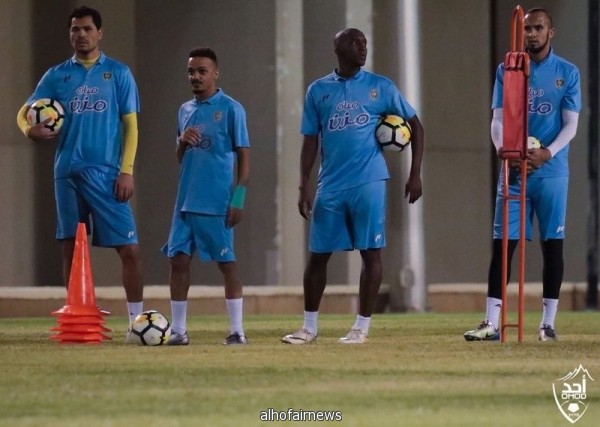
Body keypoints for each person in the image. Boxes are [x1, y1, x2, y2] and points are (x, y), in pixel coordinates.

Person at [281, 28, 424, 345]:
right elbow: (310, 141)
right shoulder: (318, 91)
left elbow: (416, 125)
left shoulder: (380, 87)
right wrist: (302, 184)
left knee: (371, 253)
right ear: (338, 48)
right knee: (318, 256)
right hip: (330, 184)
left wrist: (415, 173)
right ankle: (309, 328)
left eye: (365, 43)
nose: (362, 48)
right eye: (355, 43)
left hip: (369, 181)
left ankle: (361, 327)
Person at [16, 6, 144, 340]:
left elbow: (131, 126)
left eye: (87, 29)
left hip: (106, 174)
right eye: (75, 30)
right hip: (68, 172)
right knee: (71, 249)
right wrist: (29, 131)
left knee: (129, 249)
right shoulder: (57, 75)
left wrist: (126, 170)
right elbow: (25, 111)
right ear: (70, 33)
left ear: (99, 33)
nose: (81, 35)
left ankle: (137, 322)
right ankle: (76, 317)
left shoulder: (117, 73)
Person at [464, 8, 581, 342]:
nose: (531, 34)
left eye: (538, 28)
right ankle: (491, 323)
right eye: (527, 28)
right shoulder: (509, 69)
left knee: (552, 247)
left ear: (551, 32)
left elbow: (571, 124)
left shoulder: (567, 72)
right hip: (513, 170)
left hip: (551, 171)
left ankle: (547, 324)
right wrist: (505, 149)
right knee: (503, 246)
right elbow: (498, 118)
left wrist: (547, 153)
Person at [162, 47, 250, 346]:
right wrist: (182, 143)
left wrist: (238, 198)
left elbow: (244, 158)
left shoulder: (230, 108)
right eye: (191, 71)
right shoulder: (184, 110)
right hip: (184, 202)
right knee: (178, 262)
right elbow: (180, 158)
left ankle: (237, 331)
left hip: (215, 202)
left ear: (215, 73)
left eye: (201, 71)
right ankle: (178, 331)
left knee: (227, 265)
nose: (195, 77)